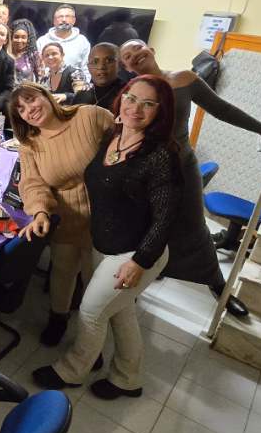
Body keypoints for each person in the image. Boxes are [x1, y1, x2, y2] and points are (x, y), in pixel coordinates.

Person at [32, 76, 184, 399]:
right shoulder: (113, 136)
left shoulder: (161, 156)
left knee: (90, 312)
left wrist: (139, 263)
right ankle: (128, 378)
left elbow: (166, 220)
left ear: (162, 111)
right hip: (104, 244)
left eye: (148, 103)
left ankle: (72, 371)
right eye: (131, 98)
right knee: (120, 312)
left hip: (136, 253)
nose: (135, 108)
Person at [120, 39, 261, 316]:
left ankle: (218, 286)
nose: (135, 57)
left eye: (138, 50)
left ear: (152, 49)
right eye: (127, 56)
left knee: (194, 226)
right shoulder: (132, 92)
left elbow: (224, 109)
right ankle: (141, 279)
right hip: (144, 173)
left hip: (182, 168)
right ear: (125, 66)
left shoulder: (184, 79)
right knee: (145, 228)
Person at [9, 82, 115, 346]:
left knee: (96, 285)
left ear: (46, 95)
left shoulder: (90, 116)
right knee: (63, 272)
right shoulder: (30, 143)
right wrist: (40, 212)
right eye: (21, 109)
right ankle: (58, 319)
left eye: (32, 100)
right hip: (67, 218)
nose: (29, 110)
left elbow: (129, 147)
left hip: (107, 221)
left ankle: (91, 344)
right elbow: (33, 182)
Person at [37, 4, 91, 79]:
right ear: (54, 21)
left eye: (68, 16)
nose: (64, 20)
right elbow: (36, 68)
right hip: (47, 87)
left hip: (74, 87)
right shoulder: (42, 41)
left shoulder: (82, 41)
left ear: (74, 20)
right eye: (60, 17)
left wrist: (82, 88)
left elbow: (86, 68)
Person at [73, 42, 126, 110]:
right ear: (88, 67)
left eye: (108, 61)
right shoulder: (82, 95)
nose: (101, 67)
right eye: (95, 62)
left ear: (119, 65)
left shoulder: (128, 92)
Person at [8, 18, 43, 85]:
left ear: (28, 39)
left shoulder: (34, 56)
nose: (19, 40)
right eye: (16, 37)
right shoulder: (6, 54)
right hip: (7, 94)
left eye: (23, 37)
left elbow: (40, 81)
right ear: (11, 38)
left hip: (27, 93)